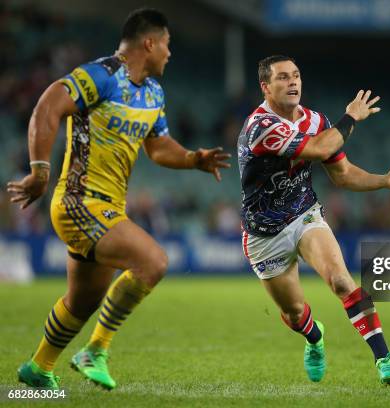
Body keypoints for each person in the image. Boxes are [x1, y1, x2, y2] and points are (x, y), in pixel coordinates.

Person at [7, 8, 230, 390]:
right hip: (79, 201)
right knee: (153, 261)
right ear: (150, 43)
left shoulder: (153, 92)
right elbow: (48, 106)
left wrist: (194, 158)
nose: (170, 54)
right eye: (167, 45)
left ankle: (39, 367)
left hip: (107, 207)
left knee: (82, 302)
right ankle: (95, 350)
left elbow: (158, 148)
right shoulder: (102, 75)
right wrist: (40, 170)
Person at [237, 55, 390, 385]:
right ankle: (314, 338)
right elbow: (320, 149)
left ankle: (384, 359)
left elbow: (343, 175)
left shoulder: (316, 121)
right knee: (294, 314)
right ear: (265, 87)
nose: (292, 82)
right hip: (263, 233)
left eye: (296, 75)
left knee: (341, 281)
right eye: (282, 78)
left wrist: (384, 180)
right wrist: (350, 117)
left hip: (304, 216)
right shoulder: (261, 128)